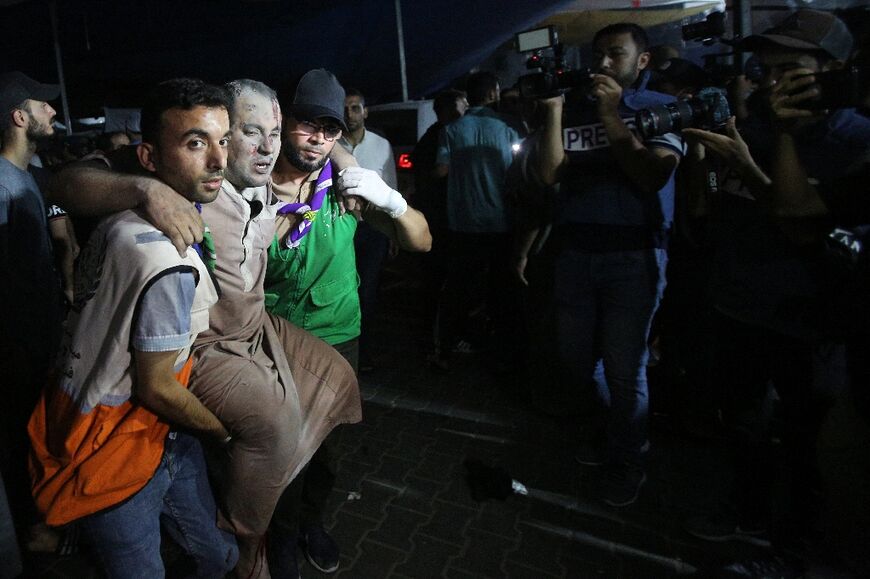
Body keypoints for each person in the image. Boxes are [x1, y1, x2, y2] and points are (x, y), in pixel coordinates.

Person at [52, 78, 362, 579]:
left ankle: (269, 488)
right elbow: (66, 183)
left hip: (257, 326)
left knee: (338, 380)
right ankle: (248, 539)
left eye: (274, 133)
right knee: (273, 428)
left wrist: (347, 166)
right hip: (205, 346)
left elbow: (324, 142)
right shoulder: (182, 178)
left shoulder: (261, 174)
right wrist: (146, 188)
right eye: (250, 133)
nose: (264, 148)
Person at [678, 9, 870, 576]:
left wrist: (756, 156)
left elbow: (799, 222)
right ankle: (750, 512)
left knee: (810, 446)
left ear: (834, 69)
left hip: (808, 322)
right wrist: (705, 162)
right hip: (739, 305)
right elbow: (710, 207)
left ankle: (796, 550)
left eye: (789, 68)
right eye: (765, 69)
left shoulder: (855, 141)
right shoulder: (756, 126)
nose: (771, 81)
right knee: (743, 424)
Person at [28, 78, 238, 578]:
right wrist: (222, 433)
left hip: (135, 435)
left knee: (212, 550)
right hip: (118, 451)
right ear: (147, 158)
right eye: (196, 143)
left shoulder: (120, 214)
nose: (218, 160)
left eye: (223, 140)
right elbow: (157, 386)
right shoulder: (166, 259)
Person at [265, 68, 430, 578]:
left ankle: (311, 523)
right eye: (307, 124)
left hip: (338, 339)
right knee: (280, 452)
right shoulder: (252, 185)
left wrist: (391, 200)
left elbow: (422, 240)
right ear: (282, 121)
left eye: (330, 129)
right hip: (272, 341)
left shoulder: (344, 189)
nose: (318, 138)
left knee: (327, 452)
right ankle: (280, 538)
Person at [532, 23, 683, 507]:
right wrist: (554, 112)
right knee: (579, 360)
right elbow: (550, 174)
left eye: (615, 53)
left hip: (633, 258)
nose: (602, 63)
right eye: (597, 54)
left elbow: (650, 175)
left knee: (624, 368)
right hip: (577, 253)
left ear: (642, 60)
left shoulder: (660, 108)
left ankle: (628, 459)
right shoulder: (576, 106)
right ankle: (611, 433)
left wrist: (612, 115)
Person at [0, 71, 66, 557]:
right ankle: (30, 530)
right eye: (43, 105)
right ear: (19, 118)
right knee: (17, 436)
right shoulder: (2, 185)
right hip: (13, 348)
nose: (53, 111)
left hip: (35, 337)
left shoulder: (25, 176)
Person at [434, 71, 522, 371]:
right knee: (500, 288)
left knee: (458, 287)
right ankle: (501, 351)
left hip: (463, 221)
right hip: (500, 221)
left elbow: (441, 170)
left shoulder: (451, 129)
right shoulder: (507, 127)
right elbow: (516, 171)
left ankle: (446, 347)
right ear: (494, 93)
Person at [338, 88, 399, 371]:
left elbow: (391, 189)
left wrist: (393, 231)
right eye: (346, 109)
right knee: (343, 290)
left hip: (373, 230)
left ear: (365, 112)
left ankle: (365, 353)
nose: (350, 114)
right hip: (342, 228)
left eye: (355, 108)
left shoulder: (381, 145)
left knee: (368, 291)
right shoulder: (333, 144)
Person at [410, 89, 467, 357]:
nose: (465, 111)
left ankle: (434, 335)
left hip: (437, 218)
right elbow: (433, 175)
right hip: (440, 220)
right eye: (463, 106)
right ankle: (437, 340)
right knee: (440, 281)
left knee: (436, 281)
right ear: (450, 109)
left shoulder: (431, 136)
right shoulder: (440, 136)